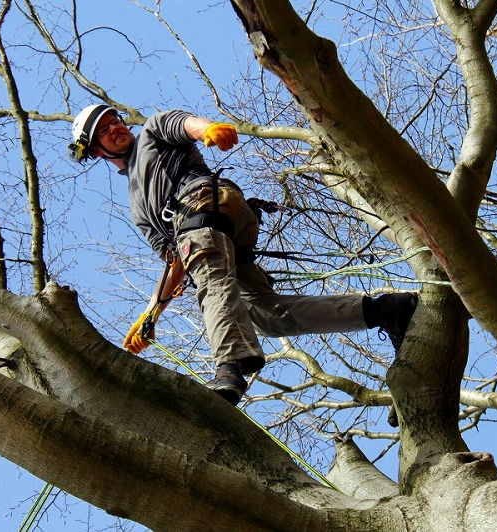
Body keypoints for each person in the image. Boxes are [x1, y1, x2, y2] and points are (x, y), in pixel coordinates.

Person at [69, 105, 418, 405]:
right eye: (104, 129)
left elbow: (185, 124)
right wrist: (151, 314)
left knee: (210, 276)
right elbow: (175, 259)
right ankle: (383, 309)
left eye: (114, 120)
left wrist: (208, 130)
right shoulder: (137, 206)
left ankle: (229, 368)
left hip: (206, 202)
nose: (115, 127)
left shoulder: (151, 132)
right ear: (96, 150)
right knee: (268, 316)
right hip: (213, 232)